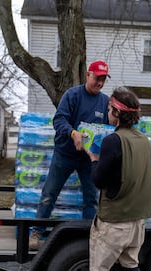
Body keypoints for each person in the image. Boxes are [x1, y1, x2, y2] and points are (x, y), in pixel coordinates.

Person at [29, 60, 111, 250]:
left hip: (88, 159)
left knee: (92, 197)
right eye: (97, 78)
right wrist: (73, 133)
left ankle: (89, 237)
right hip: (65, 154)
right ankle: (36, 232)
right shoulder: (72, 95)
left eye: (103, 80)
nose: (100, 83)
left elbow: (109, 127)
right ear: (88, 75)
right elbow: (59, 119)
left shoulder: (105, 102)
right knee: (50, 193)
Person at [86, 87, 151, 271]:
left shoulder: (113, 141)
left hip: (115, 223)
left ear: (117, 112)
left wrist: (94, 159)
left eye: (109, 110)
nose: (107, 113)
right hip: (137, 222)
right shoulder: (144, 140)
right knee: (130, 266)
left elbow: (99, 180)